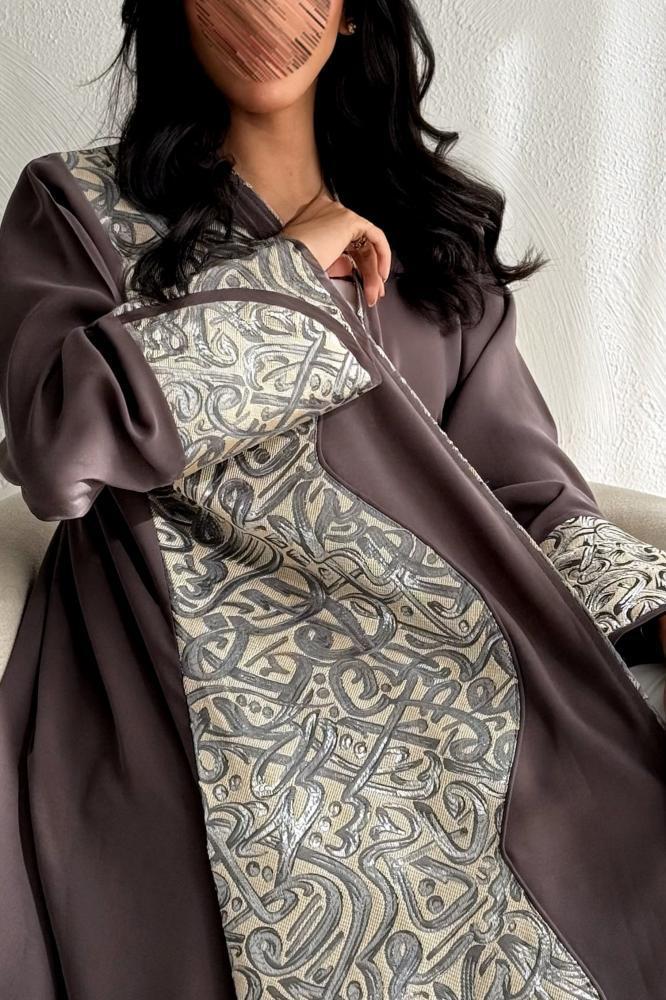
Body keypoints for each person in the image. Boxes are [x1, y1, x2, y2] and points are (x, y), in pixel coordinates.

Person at [1, 2, 665, 998]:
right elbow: (58, 448)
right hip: (199, 697)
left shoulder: (436, 249)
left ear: (353, 13)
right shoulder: (77, 210)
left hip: (434, 675)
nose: (264, 10)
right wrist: (291, 267)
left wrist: (654, 608)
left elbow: (526, 495)